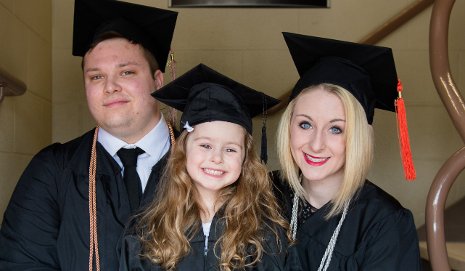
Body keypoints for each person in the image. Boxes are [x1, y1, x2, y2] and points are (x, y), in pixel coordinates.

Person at [0, 0, 177, 270]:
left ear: (158, 80)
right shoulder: (53, 171)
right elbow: (21, 262)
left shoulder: (211, 166)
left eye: (126, 72)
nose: (110, 87)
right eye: (96, 77)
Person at [119, 64, 302, 271]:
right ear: (184, 149)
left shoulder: (266, 234)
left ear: (245, 158)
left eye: (231, 149)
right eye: (205, 145)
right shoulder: (148, 230)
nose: (216, 158)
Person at [272, 32, 421, 271]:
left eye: (336, 129)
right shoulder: (262, 194)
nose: (316, 144)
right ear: (288, 126)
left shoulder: (383, 223)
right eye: (305, 124)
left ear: (358, 137)